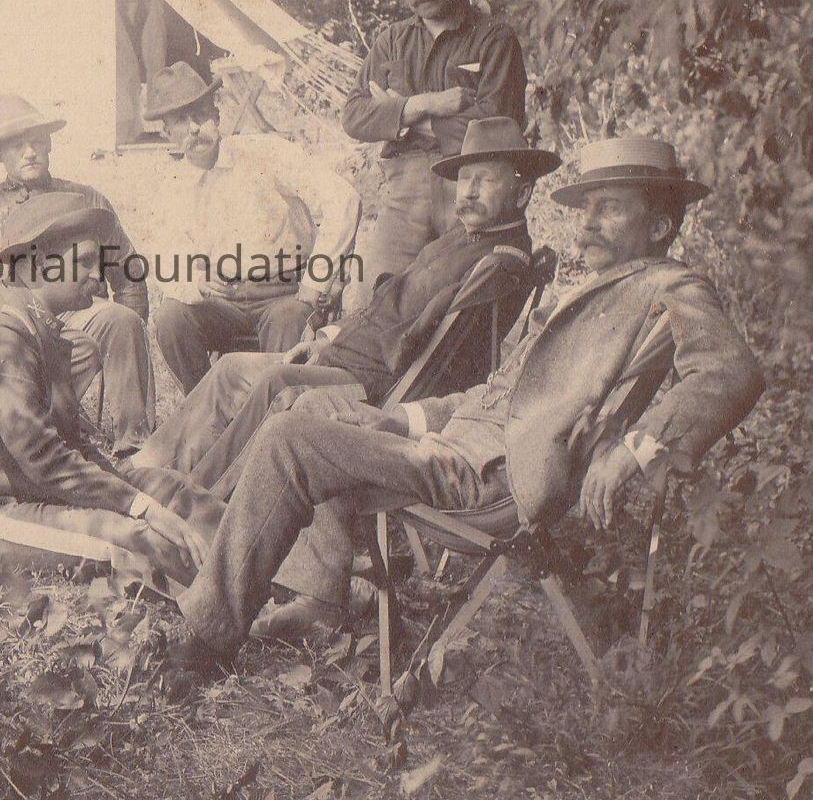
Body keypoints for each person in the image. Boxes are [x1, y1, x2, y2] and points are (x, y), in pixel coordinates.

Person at [171, 136, 765, 669]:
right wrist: (402, 417)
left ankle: (206, 637)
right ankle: (320, 599)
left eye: (609, 207)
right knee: (313, 409)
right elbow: (496, 392)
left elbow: (732, 372)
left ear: (659, 225)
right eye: (586, 207)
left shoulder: (670, 285)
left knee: (289, 438)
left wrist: (633, 450)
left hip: (490, 478)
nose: (587, 223)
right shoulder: (586, 287)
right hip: (454, 444)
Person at [133, 115, 554, 494]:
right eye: (464, 179)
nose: (469, 192)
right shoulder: (462, 239)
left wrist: (348, 357)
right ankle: (148, 468)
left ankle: (195, 498)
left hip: (375, 382)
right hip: (348, 354)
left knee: (276, 382)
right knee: (230, 369)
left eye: (486, 180)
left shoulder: (496, 263)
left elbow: (422, 348)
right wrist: (330, 337)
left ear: (522, 194)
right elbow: (389, 306)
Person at [0, 189, 220, 588]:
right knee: (133, 538)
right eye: (85, 262)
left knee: (170, 489)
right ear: (40, 263)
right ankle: (228, 597)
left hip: (19, 489)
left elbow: (68, 442)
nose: (99, 276)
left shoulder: (39, 322)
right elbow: (43, 456)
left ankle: (258, 562)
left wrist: (135, 493)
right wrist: (140, 508)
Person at [142, 63, 363, 392]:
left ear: (216, 115)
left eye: (200, 115)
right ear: (166, 133)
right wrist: (195, 282)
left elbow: (343, 199)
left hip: (284, 292)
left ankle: (276, 413)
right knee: (170, 318)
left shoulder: (265, 153)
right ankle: (207, 408)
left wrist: (314, 283)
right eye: (180, 122)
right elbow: (165, 258)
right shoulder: (172, 187)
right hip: (223, 303)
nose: (194, 129)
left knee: (289, 320)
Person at [342, 0, 528, 297]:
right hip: (404, 195)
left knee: (458, 302)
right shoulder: (391, 42)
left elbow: (498, 125)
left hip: (468, 186)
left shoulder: (493, 38)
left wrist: (402, 118)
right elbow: (355, 115)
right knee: (369, 296)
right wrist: (425, 104)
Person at [0, 92, 156, 451]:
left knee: (122, 320)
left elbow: (127, 271)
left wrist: (134, 327)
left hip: (82, 312)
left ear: (50, 144)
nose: (30, 152)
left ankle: (134, 444)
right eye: (17, 146)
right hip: (20, 320)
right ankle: (46, 433)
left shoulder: (87, 201)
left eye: (37, 141)